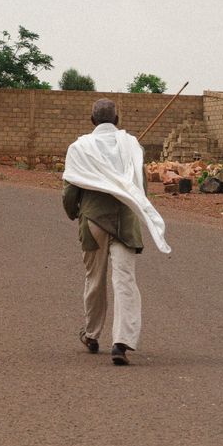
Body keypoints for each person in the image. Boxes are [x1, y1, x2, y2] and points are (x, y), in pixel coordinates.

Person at [62, 98, 170, 365]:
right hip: (125, 223)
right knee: (125, 280)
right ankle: (121, 342)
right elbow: (140, 189)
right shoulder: (131, 146)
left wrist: (74, 212)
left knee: (95, 279)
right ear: (117, 120)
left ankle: (91, 334)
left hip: (93, 221)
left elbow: (70, 189)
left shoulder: (79, 148)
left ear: (92, 120)